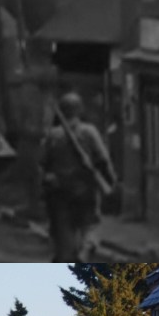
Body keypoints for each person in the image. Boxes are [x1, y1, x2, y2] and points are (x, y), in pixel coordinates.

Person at [40, 91, 118, 262]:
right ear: (79, 110)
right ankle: (85, 250)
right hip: (84, 190)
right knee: (90, 226)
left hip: (59, 192)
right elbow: (103, 159)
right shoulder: (89, 132)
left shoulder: (53, 135)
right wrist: (111, 183)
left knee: (63, 234)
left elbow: (43, 164)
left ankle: (67, 260)